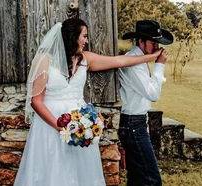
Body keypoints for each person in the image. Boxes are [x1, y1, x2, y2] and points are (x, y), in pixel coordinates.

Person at [14, 18, 162, 186]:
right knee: (51, 169)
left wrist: (151, 57)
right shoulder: (45, 60)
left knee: (79, 171)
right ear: (73, 37)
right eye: (84, 36)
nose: (87, 40)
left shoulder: (86, 59)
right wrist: (60, 126)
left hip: (80, 124)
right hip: (50, 125)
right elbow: (36, 101)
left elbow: (120, 61)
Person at [118, 20, 174, 186]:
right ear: (140, 41)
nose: (156, 47)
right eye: (153, 42)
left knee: (137, 178)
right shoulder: (134, 63)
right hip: (132, 124)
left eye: (157, 42)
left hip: (137, 122)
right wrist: (159, 66)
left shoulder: (140, 60)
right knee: (151, 179)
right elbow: (153, 94)